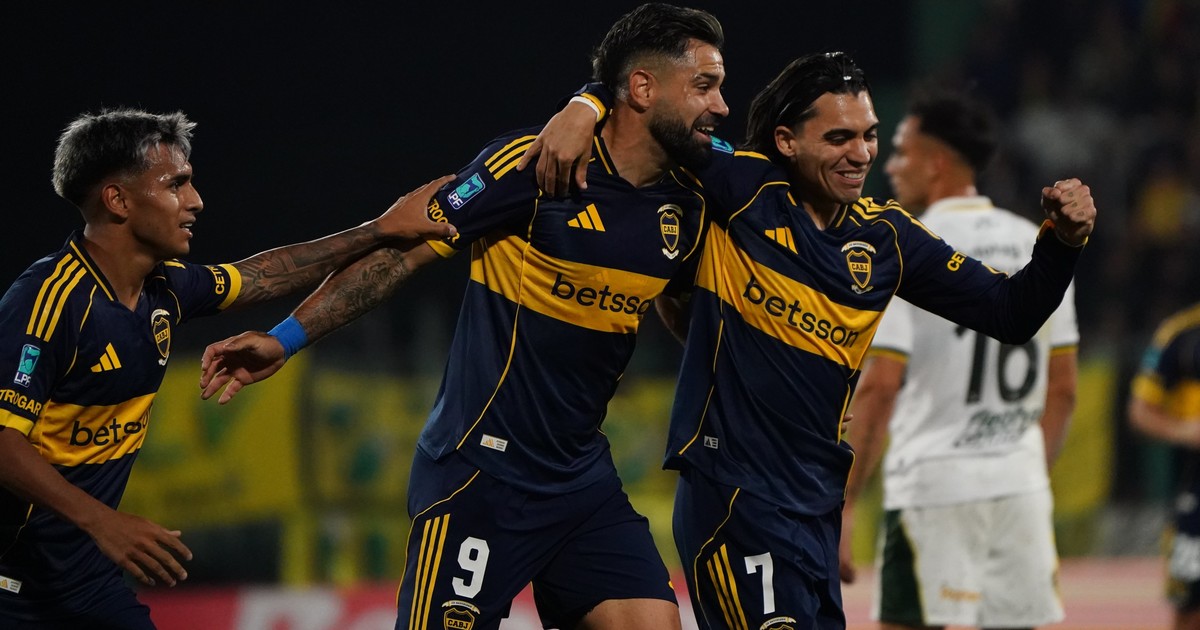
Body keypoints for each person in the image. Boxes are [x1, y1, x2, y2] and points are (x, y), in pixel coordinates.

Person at [198, 4, 730, 629]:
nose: (721, 105)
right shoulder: (532, 165)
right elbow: (400, 257)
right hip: (481, 472)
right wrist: (285, 339)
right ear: (642, 88)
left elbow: (686, 289)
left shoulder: (693, 196)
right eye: (704, 86)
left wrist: (585, 101)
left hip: (580, 479)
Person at [525, 52, 1094, 629]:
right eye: (839, 137)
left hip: (815, 504)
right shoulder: (744, 187)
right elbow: (657, 114)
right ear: (787, 142)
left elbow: (1011, 312)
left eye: (869, 135)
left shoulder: (888, 238)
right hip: (736, 496)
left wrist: (1063, 243)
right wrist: (587, 102)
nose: (862, 153)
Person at [0, 108, 454, 629]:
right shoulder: (48, 301)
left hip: (86, 582)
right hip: (13, 584)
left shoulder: (165, 288)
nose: (195, 201)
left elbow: (264, 274)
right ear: (118, 200)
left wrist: (379, 229)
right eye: (175, 184)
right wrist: (103, 522)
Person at [837, 87, 1076, 629]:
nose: (888, 165)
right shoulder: (1039, 242)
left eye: (901, 150)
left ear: (936, 163)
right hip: (1019, 486)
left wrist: (846, 504)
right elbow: (1063, 389)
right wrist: (1024, 476)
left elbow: (881, 385)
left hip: (932, 484)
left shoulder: (905, 245)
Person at [1129, 302, 1200, 630]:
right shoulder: (1181, 334)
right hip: (1194, 491)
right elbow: (1140, 411)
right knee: (1190, 607)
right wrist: (1185, 431)